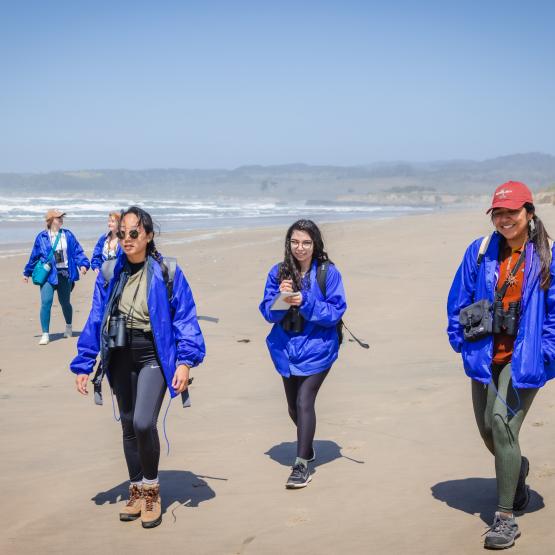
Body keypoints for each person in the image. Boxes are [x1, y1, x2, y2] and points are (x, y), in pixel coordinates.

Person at [70, 206, 206, 529]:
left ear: (148, 235)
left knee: (145, 422)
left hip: (153, 356)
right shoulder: (108, 273)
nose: (127, 239)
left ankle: (152, 491)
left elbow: (185, 318)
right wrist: (84, 363)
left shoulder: (166, 271)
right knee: (129, 425)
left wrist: (185, 361)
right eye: (122, 233)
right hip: (119, 354)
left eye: (134, 233)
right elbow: (95, 320)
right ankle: (135, 490)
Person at [447, 181, 555, 549]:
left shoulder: (548, 257)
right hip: (483, 354)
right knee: (487, 432)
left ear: (529, 213)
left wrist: (544, 354)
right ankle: (517, 470)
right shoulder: (478, 253)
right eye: (498, 213)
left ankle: (505, 517)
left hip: (523, 357)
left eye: (511, 212)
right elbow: (458, 301)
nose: (504, 219)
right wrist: (460, 342)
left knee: (501, 422)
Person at [259, 219, 347, 489]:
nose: (300, 248)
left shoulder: (327, 273)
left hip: (319, 347)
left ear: (315, 244)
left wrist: (305, 301)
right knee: (292, 406)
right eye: (295, 242)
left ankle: (301, 465)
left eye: (306, 242)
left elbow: (335, 312)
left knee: (304, 400)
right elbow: (267, 313)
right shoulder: (278, 272)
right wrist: (282, 299)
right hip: (286, 349)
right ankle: (307, 448)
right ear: (289, 243)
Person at [22, 209, 89, 345]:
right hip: (48, 274)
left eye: (61, 217)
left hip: (64, 273)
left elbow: (77, 251)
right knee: (46, 302)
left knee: (65, 303)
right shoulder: (42, 237)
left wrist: (83, 264)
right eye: (58, 218)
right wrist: (27, 272)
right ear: (50, 220)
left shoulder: (68, 235)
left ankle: (69, 326)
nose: (61, 220)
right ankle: (45, 334)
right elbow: (34, 256)